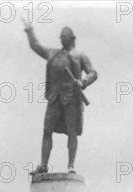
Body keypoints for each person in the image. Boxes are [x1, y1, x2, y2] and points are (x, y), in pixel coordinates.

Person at [23, 21, 98, 175]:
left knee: (72, 132)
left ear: (72, 38)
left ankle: (71, 165)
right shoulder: (53, 54)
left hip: (72, 99)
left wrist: (83, 82)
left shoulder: (79, 55)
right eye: (60, 37)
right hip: (55, 98)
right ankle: (43, 165)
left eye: (64, 37)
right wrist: (30, 31)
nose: (61, 39)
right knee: (46, 130)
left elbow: (93, 73)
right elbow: (36, 46)